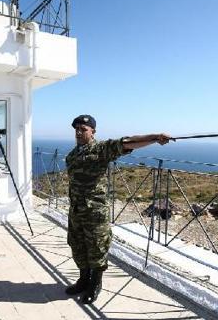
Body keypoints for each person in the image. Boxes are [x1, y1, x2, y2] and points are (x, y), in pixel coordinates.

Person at [65, 114, 172, 304]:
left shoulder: (101, 149)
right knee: (77, 245)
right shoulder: (73, 154)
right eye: (77, 129)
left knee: (97, 247)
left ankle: (95, 284)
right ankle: (83, 280)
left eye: (83, 129)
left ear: (93, 132)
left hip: (94, 211)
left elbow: (127, 142)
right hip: (76, 210)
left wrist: (155, 137)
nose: (79, 132)